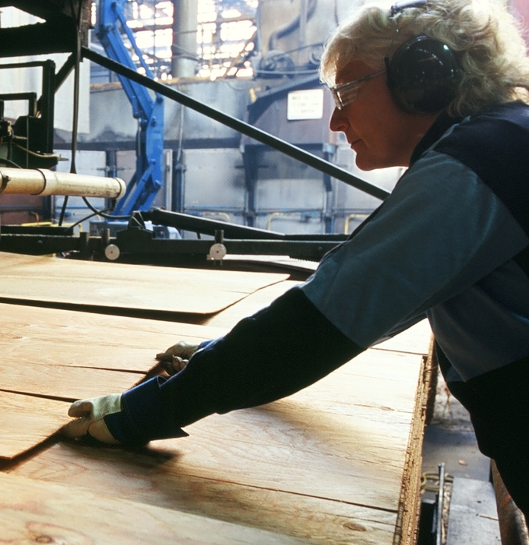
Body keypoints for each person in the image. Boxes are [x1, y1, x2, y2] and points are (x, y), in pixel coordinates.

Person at [62, 0, 529, 513]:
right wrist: (218, 355)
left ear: (423, 77)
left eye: (348, 93)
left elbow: (328, 317)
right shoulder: (501, 143)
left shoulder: (484, 158)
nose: (335, 120)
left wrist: (141, 412)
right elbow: (377, 299)